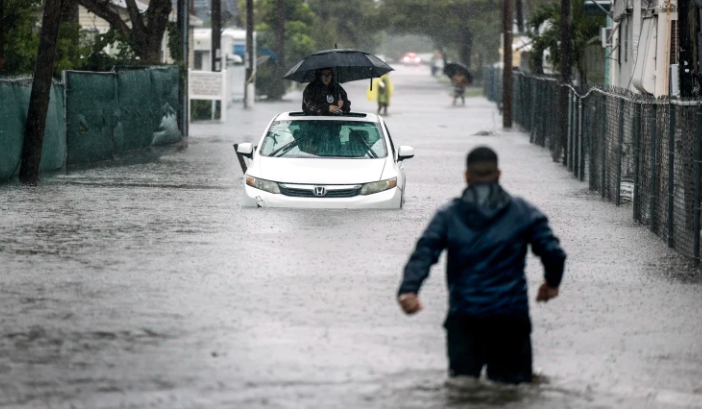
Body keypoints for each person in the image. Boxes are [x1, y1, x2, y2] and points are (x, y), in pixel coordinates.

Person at [397, 146, 567, 385]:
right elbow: (554, 252)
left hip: (465, 318)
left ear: (466, 176)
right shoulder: (523, 212)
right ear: (499, 174)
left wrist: (409, 289)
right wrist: (551, 283)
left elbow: (424, 252)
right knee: (513, 392)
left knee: (463, 390)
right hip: (510, 319)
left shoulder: (448, 215)